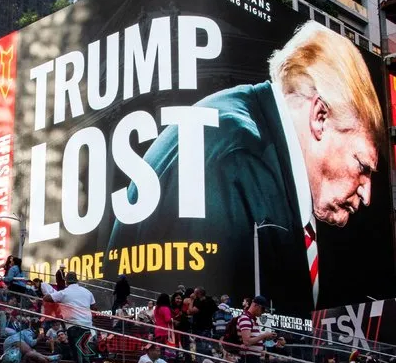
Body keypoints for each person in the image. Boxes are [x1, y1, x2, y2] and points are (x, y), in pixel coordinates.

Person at [106, 21, 385, 314]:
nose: (367, 195)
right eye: (362, 165)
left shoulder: (245, 126)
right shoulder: (237, 156)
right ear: (320, 117)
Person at [43, 271, 96, 363]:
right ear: (77, 280)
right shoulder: (87, 292)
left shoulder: (64, 292)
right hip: (87, 324)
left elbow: (47, 298)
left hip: (73, 324)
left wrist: (51, 292)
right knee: (84, 347)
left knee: (76, 350)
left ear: (66, 281)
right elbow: (94, 307)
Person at [237, 295, 276, 363]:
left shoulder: (252, 320)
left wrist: (265, 337)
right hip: (248, 358)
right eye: (263, 309)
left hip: (254, 357)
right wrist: (264, 335)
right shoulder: (245, 318)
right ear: (256, 306)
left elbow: (252, 339)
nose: (263, 313)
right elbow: (247, 341)